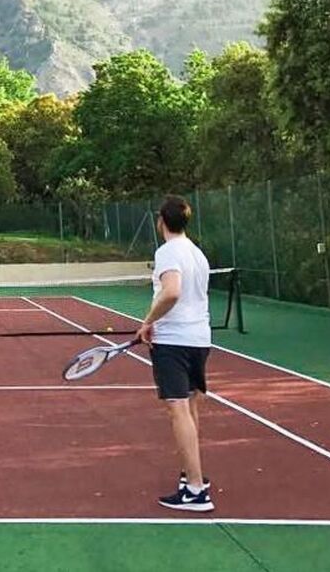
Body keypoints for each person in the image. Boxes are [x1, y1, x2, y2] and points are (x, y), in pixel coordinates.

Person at [134, 195, 214, 513]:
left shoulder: (167, 252)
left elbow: (172, 291)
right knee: (190, 408)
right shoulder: (197, 253)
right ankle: (192, 476)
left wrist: (148, 322)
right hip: (199, 339)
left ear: (161, 221)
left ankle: (195, 490)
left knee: (178, 410)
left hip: (174, 341)